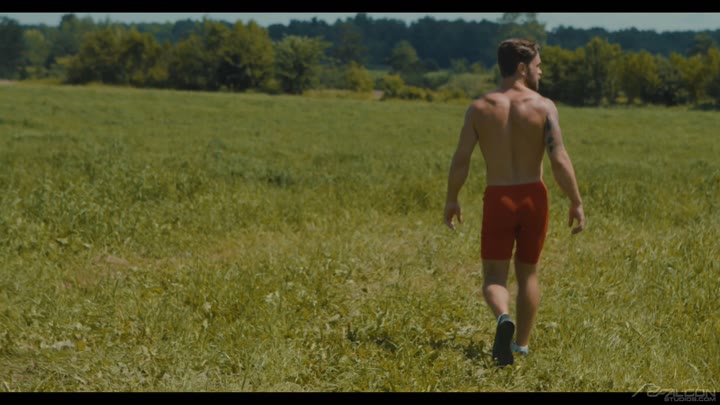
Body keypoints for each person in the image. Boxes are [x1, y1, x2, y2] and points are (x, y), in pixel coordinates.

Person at [443, 38, 585, 367]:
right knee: (528, 276)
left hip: (499, 198)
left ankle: (503, 317)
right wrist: (575, 201)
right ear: (522, 68)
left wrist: (452, 198)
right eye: (537, 66)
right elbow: (559, 158)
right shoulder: (544, 107)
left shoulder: (480, 108)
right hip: (534, 197)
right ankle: (521, 346)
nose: (541, 71)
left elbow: (461, 159)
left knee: (494, 278)